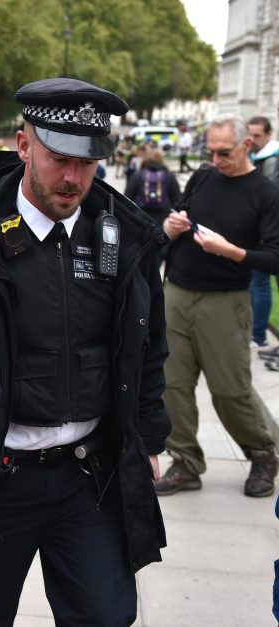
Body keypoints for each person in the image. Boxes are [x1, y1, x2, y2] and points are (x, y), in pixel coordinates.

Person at [0, 77, 170, 626]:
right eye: (61, 158)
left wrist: (149, 437)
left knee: (107, 616)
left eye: (88, 162)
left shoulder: (127, 234)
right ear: (24, 144)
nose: (74, 177)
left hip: (89, 475)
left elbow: (149, 345)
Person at [157, 113, 279, 498]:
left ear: (247, 145)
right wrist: (171, 225)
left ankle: (262, 452)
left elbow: (274, 257)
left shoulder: (265, 192)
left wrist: (232, 251)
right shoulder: (204, 176)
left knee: (230, 389)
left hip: (225, 301)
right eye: (210, 151)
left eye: (224, 152)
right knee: (171, 385)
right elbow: (177, 214)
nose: (215, 159)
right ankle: (186, 462)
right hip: (177, 291)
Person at [246, 116, 279, 353]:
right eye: (250, 134)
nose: (253, 139)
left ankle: (259, 335)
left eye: (257, 135)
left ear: (269, 134)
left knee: (260, 283)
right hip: (260, 230)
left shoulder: (272, 159)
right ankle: (256, 333)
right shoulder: (256, 156)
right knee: (257, 282)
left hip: (270, 232)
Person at [124, 146, 181, 226]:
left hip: (142, 220)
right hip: (164, 220)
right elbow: (177, 200)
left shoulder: (137, 175)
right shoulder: (169, 176)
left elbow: (127, 199)